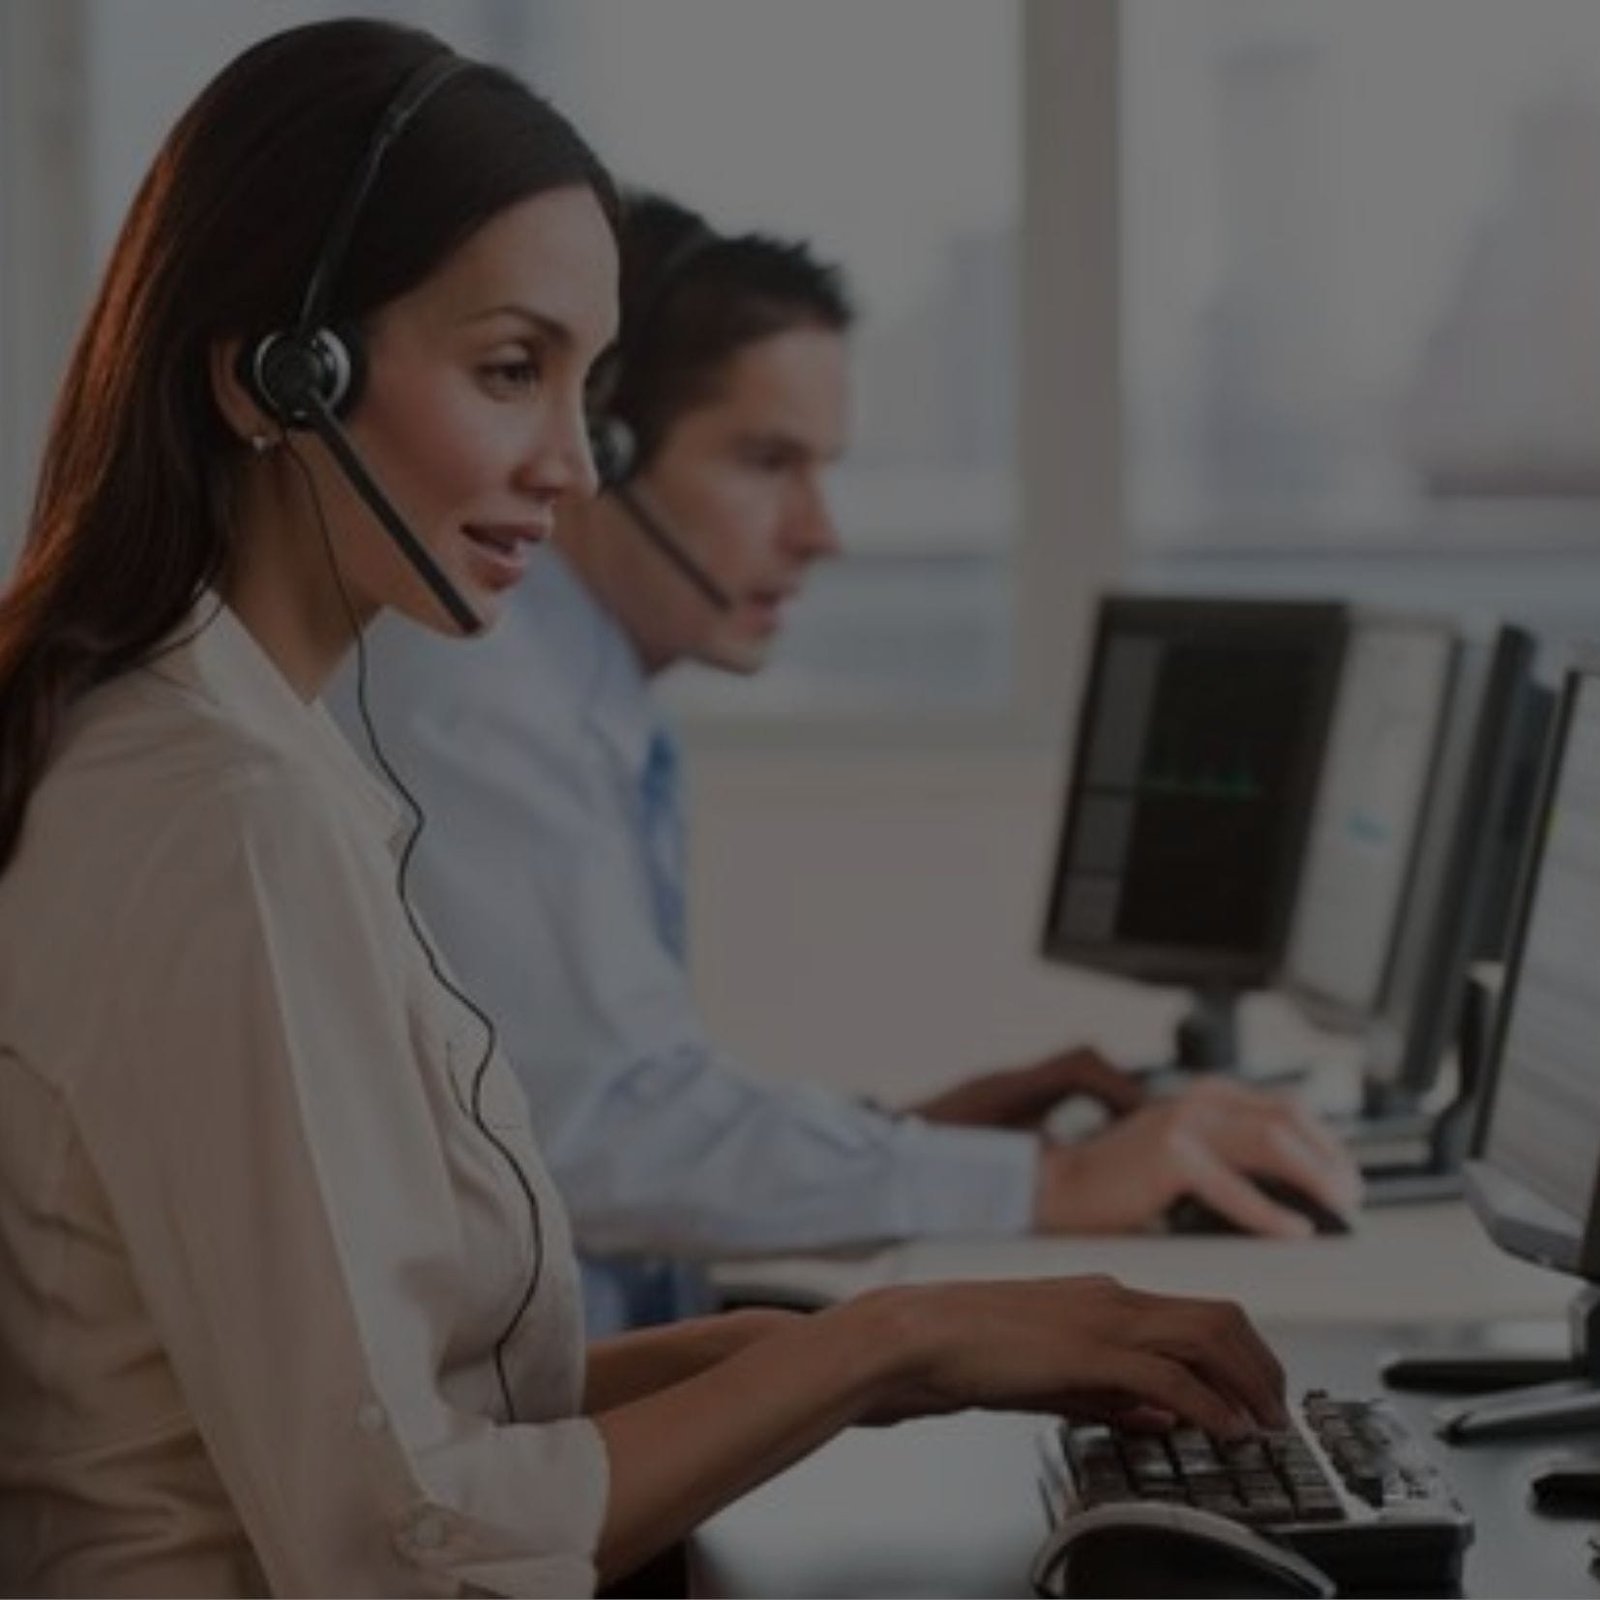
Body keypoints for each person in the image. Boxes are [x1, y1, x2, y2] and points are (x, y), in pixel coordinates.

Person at [0, 19, 1294, 1597]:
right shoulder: (222, 811)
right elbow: (400, 1541)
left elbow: (418, 1407)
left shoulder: (252, 753)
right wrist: (887, 1340)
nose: (571, 464)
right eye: (509, 371)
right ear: (281, 375)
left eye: (586, 390)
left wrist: (843, 1355)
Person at [336, 191, 1363, 1336]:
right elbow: (599, 1136)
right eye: (767, 462)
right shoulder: (482, 699)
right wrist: (1051, 1181)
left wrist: (907, 1136)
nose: (819, 531)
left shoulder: (586, 694)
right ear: (598, 452)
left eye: (822, 469)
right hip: (543, 1414)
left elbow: (603, 1101)